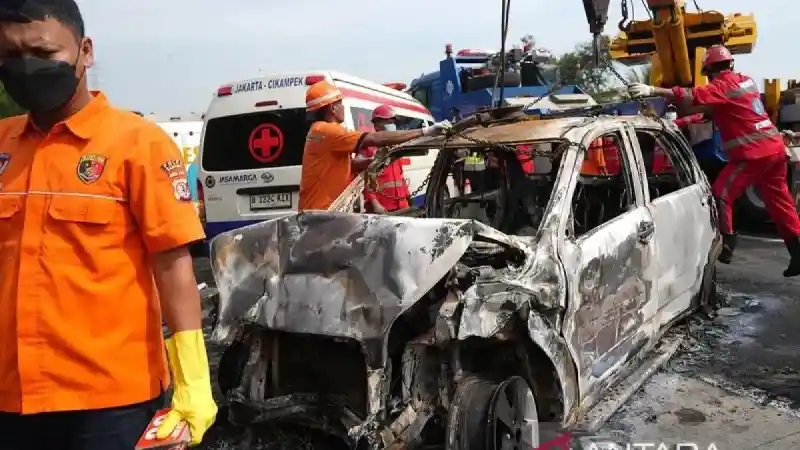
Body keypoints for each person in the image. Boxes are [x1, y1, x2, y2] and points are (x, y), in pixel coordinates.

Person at [0, 1, 217, 449]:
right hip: (10, 398)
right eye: (10, 55)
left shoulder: (138, 145)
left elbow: (173, 267)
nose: (27, 68)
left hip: (110, 404)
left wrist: (193, 382)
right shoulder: (3, 144)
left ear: (85, 50)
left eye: (44, 53)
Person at [628, 45, 800, 277]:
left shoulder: (721, 87)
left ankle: (727, 244)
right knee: (780, 203)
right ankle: (797, 252)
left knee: (721, 194)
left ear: (709, 71)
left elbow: (692, 95)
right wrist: (675, 124)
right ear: (730, 64)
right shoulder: (745, 82)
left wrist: (653, 89)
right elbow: (709, 114)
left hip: (753, 155)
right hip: (775, 150)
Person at [298, 80, 451, 211]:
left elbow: (347, 165)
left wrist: (372, 162)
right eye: (340, 103)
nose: (343, 107)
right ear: (332, 108)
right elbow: (375, 138)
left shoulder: (322, 132)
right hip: (322, 213)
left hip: (325, 210)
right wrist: (426, 131)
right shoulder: (327, 131)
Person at [356, 105, 411, 213]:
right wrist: (375, 204)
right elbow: (364, 179)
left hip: (401, 204)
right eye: (389, 122)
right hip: (382, 208)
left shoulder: (395, 147)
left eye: (393, 122)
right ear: (376, 124)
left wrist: (407, 196)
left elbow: (400, 176)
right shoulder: (368, 148)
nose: (392, 125)